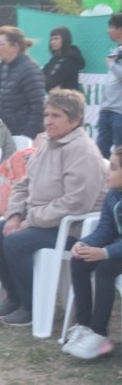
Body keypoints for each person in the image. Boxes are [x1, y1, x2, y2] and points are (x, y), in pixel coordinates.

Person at [0, 89, 105, 327]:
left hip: (72, 230)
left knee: (15, 242)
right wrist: (15, 216)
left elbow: (75, 203)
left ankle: (32, 306)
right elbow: (23, 184)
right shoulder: (48, 144)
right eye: (47, 114)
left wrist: (32, 220)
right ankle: (16, 297)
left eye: (56, 116)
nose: (48, 121)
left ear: (75, 119)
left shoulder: (82, 150)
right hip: (40, 221)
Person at [63, 146, 122, 360]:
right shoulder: (113, 196)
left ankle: (99, 334)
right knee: (79, 259)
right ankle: (84, 325)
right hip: (117, 248)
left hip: (116, 252)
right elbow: (106, 229)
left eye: (113, 168)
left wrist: (105, 253)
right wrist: (84, 244)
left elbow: (109, 248)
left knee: (106, 269)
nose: (108, 172)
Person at [0, 26, 45, 139]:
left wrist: (27, 137)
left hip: (24, 137)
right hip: (10, 134)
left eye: (1, 44)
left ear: (15, 46)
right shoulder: (6, 68)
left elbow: (39, 107)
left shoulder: (29, 70)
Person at [98, 13, 122, 158]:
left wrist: (112, 64)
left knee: (119, 156)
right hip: (106, 110)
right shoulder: (116, 50)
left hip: (119, 113)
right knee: (101, 155)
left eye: (111, 27)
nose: (108, 30)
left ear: (120, 29)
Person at [43, 26, 84, 92]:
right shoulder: (56, 57)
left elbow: (51, 82)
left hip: (66, 99)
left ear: (65, 39)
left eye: (56, 39)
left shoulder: (68, 60)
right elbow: (42, 73)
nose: (53, 42)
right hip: (57, 98)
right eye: (51, 39)